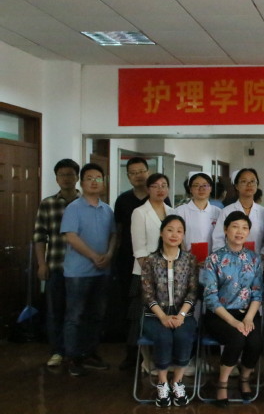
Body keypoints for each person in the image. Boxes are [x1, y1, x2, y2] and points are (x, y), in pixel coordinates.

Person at [200, 211, 264, 405]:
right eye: (235, 227)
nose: (239, 231)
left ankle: (244, 378)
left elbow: (257, 293)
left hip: (247, 312)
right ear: (225, 229)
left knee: (255, 341)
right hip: (220, 315)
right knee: (237, 338)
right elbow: (210, 298)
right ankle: (223, 382)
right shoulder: (214, 259)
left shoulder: (255, 259)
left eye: (244, 228)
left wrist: (248, 318)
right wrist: (234, 321)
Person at [60, 163, 117, 377]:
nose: (94, 182)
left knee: (97, 316)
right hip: (78, 272)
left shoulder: (107, 209)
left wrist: (109, 255)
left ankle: (89, 353)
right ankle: (71, 357)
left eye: (98, 178)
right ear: (82, 182)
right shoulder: (74, 208)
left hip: (102, 271)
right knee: (75, 316)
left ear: (103, 182)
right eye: (89, 178)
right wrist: (94, 256)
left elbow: (113, 235)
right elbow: (71, 237)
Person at [114, 157, 171, 369]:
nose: (160, 189)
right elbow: (137, 246)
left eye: (164, 185)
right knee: (138, 315)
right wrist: (153, 273)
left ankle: (160, 359)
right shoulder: (134, 208)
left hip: (168, 273)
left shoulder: (171, 210)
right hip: (142, 271)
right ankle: (138, 359)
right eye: (156, 186)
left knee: (162, 316)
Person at [140, 215, 198, 407]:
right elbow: (147, 294)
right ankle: (162, 382)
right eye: (170, 230)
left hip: (184, 314)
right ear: (161, 233)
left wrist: (181, 315)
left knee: (183, 335)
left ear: (183, 235)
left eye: (179, 231)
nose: (174, 234)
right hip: (155, 315)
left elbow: (193, 291)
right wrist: (163, 316)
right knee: (163, 337)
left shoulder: (190, 260)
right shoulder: (150, 260)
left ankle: (178, 382)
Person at [33, 158, 81, 367]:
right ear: (56, 179)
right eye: (62, 175)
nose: (66, 178)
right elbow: (39, 236)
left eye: (70, 174)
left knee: (79, 312)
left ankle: (78, 351)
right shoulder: (48, 204)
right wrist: (41, 264)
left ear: (77, 177)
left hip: (82, 269)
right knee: (55, 311)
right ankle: (58, 351)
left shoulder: (86, 203)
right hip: (56, 266)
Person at [213, 169, 264, 257]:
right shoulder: (227, 211)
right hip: (230, 261)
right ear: (236, 186)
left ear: (257, 185)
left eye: (252, 181)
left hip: (257, 261)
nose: (249, 185)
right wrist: (226, 258)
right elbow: (218, 239)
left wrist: (262, 255)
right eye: (244, 181)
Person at [175, 173, 219, 261]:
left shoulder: (218, 212)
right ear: (190, 189)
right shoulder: (180, 211)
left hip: (213, 261)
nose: (201, 189)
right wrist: (185, 257)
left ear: (210, 188)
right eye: (196, 185)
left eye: (205, 185)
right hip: (186, 260)